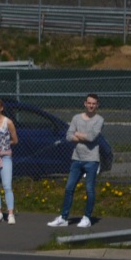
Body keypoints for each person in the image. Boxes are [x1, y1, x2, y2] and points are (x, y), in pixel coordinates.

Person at [48, 94, 104, 228]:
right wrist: (80, 135)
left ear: (97, 105)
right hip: (76, 159)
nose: (91, 105)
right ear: (85, 103)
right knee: (69, 188)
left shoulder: (99, 120)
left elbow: (91, 137)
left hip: (91, 160)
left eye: (94, 103)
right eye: (89, 103)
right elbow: (68, 136)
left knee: (89, 189)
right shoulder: (76, 118)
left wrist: (77, 134)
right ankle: (63, 217)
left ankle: (87, 218)